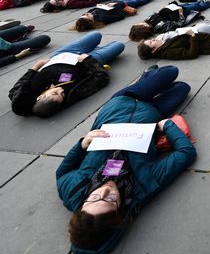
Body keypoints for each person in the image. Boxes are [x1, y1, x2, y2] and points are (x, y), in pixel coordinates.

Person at [56, 66, 195, 253]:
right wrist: (167, 126)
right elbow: (186, 153)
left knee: (171, 71)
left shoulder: (73, 191)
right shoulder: (144, 185)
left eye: (94, 197)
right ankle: (150, 78)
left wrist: (82, 145)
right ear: (119, 211)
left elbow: (62, 172)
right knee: (183, 88)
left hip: (120, 103)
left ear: (83, 205)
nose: (105, 191)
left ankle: (147, 76)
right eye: (110, 199)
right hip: (152, 114)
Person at [8, 31, 124, 117]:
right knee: (119, 45)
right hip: (84, 61)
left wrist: (35, 67)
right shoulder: (72, 94)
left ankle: (94, 47)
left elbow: (17, 86)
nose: (61, 91)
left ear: (40, 97)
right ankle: (95, 51)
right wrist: (88, 60)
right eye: (61, 95)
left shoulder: (26, 94)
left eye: (55, 92)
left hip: (61, 55)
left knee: (96, 35)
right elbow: (101, 78)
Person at [73, 0, 157, 31]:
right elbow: (120, 16)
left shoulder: (90, 12)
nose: (85, 14)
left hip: (115, 4)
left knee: (132, 0)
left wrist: (105, 5)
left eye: (83, 15)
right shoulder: (102, 19)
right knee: (138, 3)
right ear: (90, 21)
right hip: (121, 7)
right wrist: (116, 5)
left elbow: (99, 8)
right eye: (85, 16)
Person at [128, 0, 210, 41]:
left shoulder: (148, 20)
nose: (140, 22)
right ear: (143, 28)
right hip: (180, 12)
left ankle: (200, 1)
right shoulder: (160, 28)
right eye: (139, 24)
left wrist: (162, 8)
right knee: (199, 6)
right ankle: (208, 1)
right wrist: (181, 13)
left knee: (192, 4)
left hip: (172, 8)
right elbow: (180, 24)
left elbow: (158, 14)